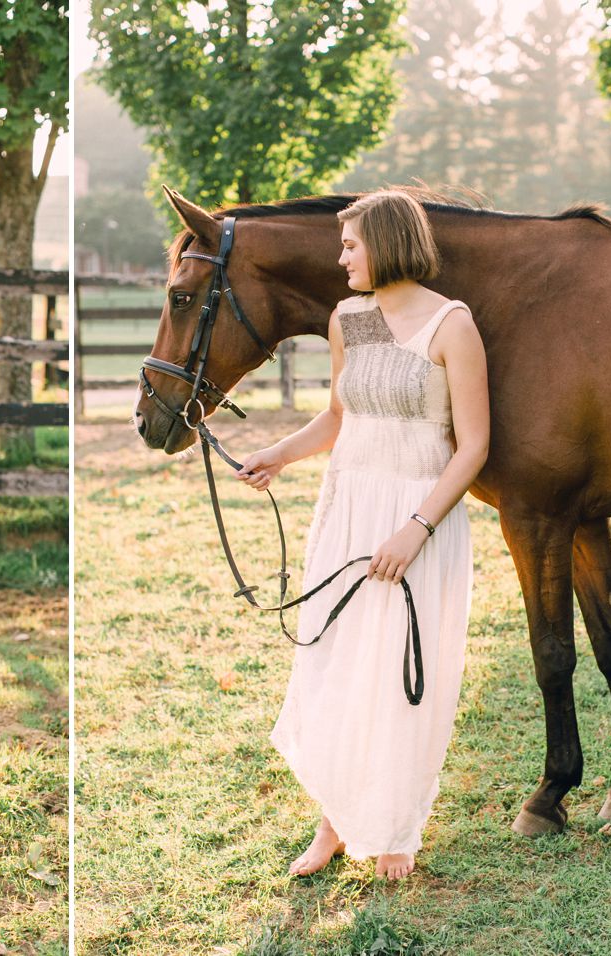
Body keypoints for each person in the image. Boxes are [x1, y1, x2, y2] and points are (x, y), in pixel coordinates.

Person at [235, 189, 489, 881]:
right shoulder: (348, 318)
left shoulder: (451, 325)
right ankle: (334, 825)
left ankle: (397, 828)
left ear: (385, 240)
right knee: (341, 666)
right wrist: (277, 454)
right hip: (348, 507)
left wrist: (416, 528)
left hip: (418, 515)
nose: (340, 255)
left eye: (350, 243)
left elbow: (472, 447)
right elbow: (338, 418)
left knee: (406, 675)